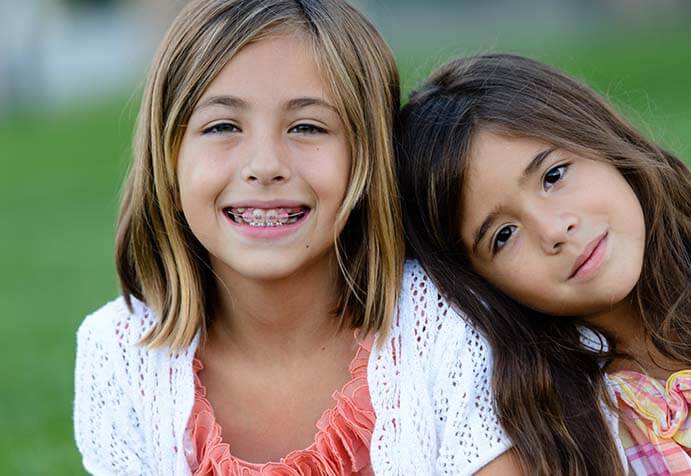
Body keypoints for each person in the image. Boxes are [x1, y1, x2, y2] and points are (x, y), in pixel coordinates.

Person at [73, 2, 514, 474]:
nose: (265, 165)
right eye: (222, 126)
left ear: (369, 157)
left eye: (307, 126)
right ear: (168, 157)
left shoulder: (449, 327)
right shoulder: (119, 352)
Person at [397, 53, 691, 475]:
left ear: (599, 139)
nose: (554, 231)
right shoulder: (542, 414)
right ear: (481, 283)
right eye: (503, 236)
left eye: (553, 176)